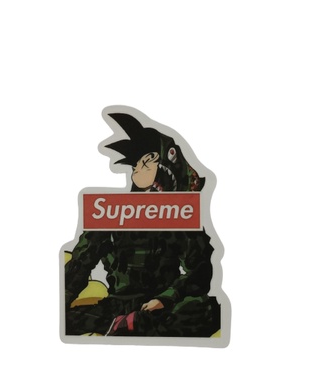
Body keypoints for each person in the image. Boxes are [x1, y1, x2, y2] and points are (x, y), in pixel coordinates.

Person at [64, 113, 220, 337]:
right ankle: (125, 324)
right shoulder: (112, 211)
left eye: (146, 160)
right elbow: (81, 260)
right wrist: (60, 302)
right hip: (117, 305)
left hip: (160, 305)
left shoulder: (179, 214)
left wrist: (167, 298)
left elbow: (200, 269)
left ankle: (133, 324)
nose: (138, 167)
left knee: (207, 310)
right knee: (67, 319)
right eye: (137, 162)